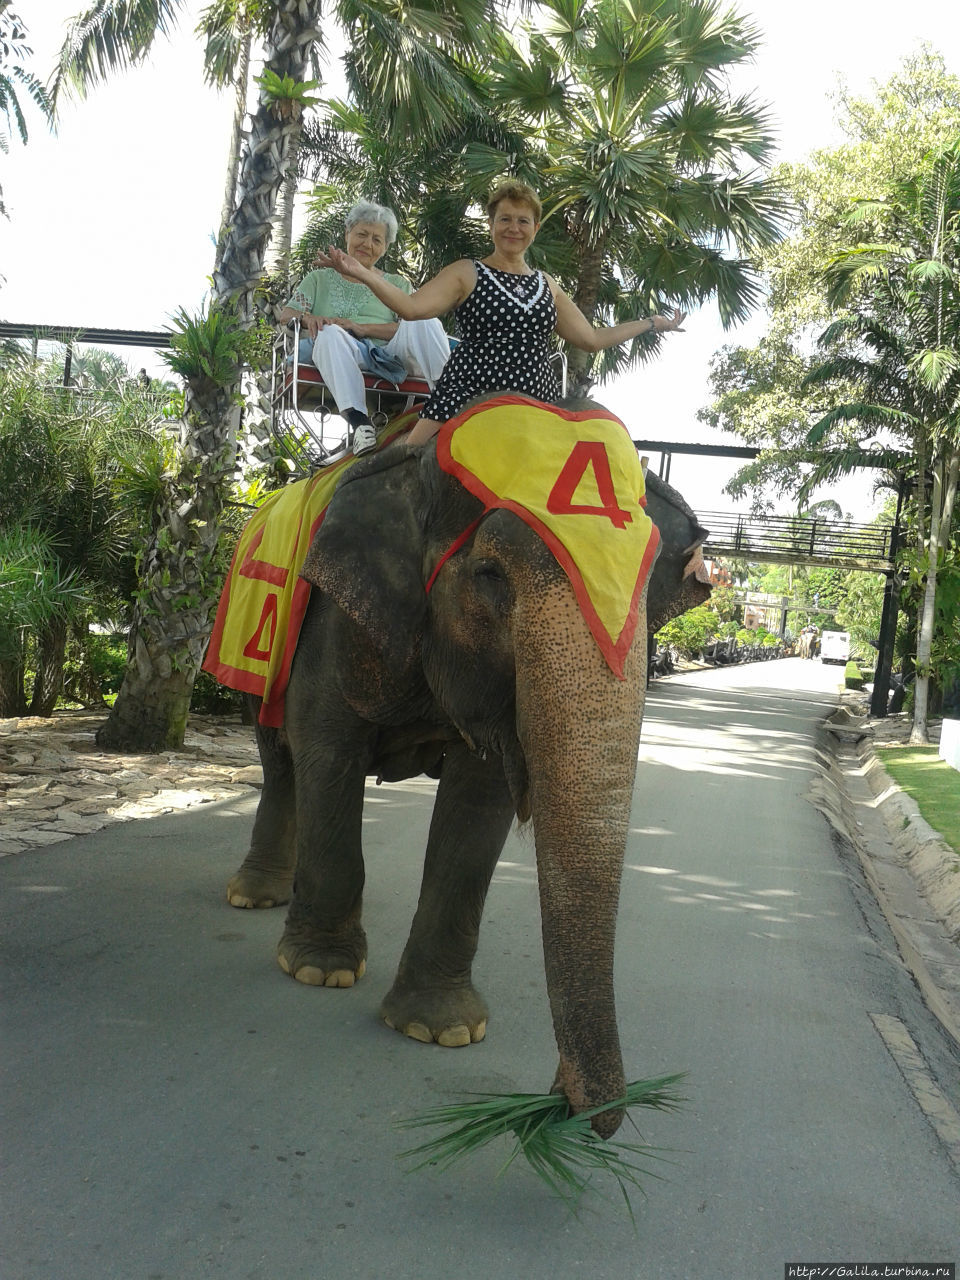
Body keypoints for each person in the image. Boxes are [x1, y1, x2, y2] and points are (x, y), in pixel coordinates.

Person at [315, 180, 686, 447]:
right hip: (468, 391)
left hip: (537, 396)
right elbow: (411, 309)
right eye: (505, 219)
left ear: (535, 228)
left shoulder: (547, 284)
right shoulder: (467, 272)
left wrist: (652, 323)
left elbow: (590, 339)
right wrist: (362, 272)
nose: (513, 228)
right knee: (408, 459)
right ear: (491, 225)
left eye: (523, 221)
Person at [278, 200, 451, 455]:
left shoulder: (397, 284)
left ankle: (450, 396)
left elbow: (406, 327)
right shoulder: (319, 278)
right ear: (347, 234)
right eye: (361, 234)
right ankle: (360, 424)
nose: (367, 244)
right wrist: (308, 318)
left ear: (385, 247)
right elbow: (287, 315)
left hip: (391, 354)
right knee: (328, 332)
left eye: (376, 239)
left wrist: (362, 328)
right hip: (344, 353)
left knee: (425, 319)